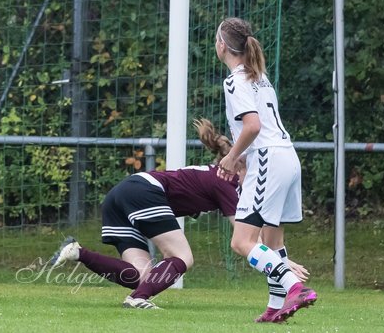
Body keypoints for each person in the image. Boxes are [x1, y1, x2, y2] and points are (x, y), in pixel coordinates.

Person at [47, 118, 242, 309]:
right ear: (240, 164)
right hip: (142, 192)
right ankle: (138, 298)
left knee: (141, 276)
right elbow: (243, 234)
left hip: (121, 193)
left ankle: (77, 252)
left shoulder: (216, 175)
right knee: (182, 256)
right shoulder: (226, 181)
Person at [214, 17, 315, 322]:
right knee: (273, 242)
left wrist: (231, 158)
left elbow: (253, 126)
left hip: (269, 160)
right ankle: (275, 306)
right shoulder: (260, 77)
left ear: (222, 46)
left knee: (242, 241)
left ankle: (293, 286)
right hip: (287, 158)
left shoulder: (235, 80)